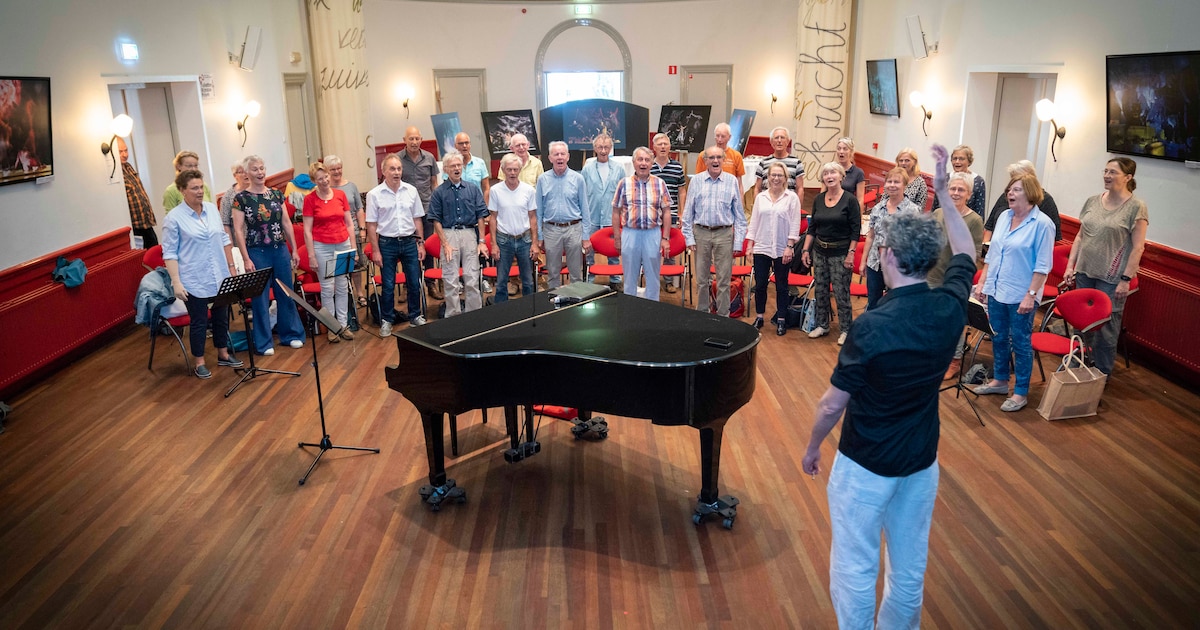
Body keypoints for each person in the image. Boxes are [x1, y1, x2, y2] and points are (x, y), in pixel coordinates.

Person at [801, 142, 977, 630]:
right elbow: (966, 249)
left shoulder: (872, 326)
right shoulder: (949, 307)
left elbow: (832, 404)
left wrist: (814, 446)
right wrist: (942, 193)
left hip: (866, 465)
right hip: (921, 463)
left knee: (855, 567)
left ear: (891, 256)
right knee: (909, 568)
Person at [972, 171, 1056, 412]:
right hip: (997, 288)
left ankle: (1020, 392)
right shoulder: (1003, 216)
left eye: (1016, 189)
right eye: (1009, 189)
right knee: (997, 336)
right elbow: (993, 255)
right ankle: (999, 381)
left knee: (1020, 343)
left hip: (1021, 294)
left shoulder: (1042, 224)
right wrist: (983, 284)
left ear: (1030, 194)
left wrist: (1031, 295)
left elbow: (1043, 265)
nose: (1010, 193)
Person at [1062, 157, 1149, 375]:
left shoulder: (1136, 207)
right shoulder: (1092, 201)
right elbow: (1080, 237)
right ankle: (1077, 365)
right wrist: (1070, 266)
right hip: (1084, 272)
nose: (1106, 176)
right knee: (1080, 324)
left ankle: (1100, 375)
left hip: (1112, 280)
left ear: (1128, 177)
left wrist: (1125, 280)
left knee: (1106, 331)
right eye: (1105, 171)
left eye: (1112, 172)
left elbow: (1138, 248)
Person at [161, 169, 243, 379]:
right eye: (194, 188)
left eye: (201, 187)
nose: (199, 191)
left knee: (221, 316)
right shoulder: (174, 218)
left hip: (219, 273)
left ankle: (223, 353)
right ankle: (199, 362)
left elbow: (224, 240)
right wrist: (176, 282)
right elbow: (169, 253)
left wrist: (232, 268)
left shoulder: (211, 209)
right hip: (194, 277)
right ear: (182, 191)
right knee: (198, 321)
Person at [231, 155, 307, 355]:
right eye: (255, 169)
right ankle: (264, 343)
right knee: (260, 299)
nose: (260, 172)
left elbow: (286, 223)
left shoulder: (275, 194)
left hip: (279, 249)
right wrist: (246, 258)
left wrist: (294, 249)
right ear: (247, 173)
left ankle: (291, 335)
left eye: (262, 168)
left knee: (286, 292)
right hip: (256, 252)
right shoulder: (241, 199)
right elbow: (238, 230)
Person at [929, 171, 986, 380]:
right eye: (952, 188)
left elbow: (974, 254)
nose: (955, 193)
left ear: (969, 194)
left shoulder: (974, 220)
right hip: (932, 275)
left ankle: (954, 360)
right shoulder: (938, 212)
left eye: (960, 189)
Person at [683, 145, 747, 317]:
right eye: (711, 158)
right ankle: (702, 314)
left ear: (724, 160)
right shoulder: (696, 181)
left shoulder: (732, 181)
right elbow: (688, 213)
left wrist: (739, 241)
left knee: (724, 280)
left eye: (719, 157)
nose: (715, 161)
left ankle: (723, 316)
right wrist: (689, 238)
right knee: (702, 279)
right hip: (701, 233)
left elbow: (740, 216)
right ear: (705, 161)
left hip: (724, 234)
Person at [366, 153, 427, 336]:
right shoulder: (374, 195)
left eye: (399, 168)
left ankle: (415, 315)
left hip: (409, 241)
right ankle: (387, 320)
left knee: (414, 282)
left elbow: (417, 219)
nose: (396, 172)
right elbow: (371, 225)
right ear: (384, 171)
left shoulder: (411, 191)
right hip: (387, 243)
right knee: (389, 284)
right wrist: (375, 250)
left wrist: (421, 244)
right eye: (392, 169)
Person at [801, 162, 861, 345]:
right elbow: (813, 228)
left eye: (833, 172)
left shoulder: (850, 200)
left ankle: (845, 329)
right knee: (820, 289)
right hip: (819, 251)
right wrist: (805, 250)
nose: (829, 176)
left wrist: (851, 253)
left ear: (841, 176)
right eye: (826, 173)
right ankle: (822, 325)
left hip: (841, 253)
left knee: (841, 292)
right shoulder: (819, 199)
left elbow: (855, 229)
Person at [429, 151, 490, 317]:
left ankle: (474, 316)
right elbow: (435, 220)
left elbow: (480, 216)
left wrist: (482, 241)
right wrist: (445, 243)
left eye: (459, 165)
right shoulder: (439, 192)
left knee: (472, 277)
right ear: (446, 170)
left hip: (470, 234)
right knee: (450, 280)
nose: (456, 168)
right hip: (449, 236)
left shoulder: (472, 189)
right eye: (452, 166)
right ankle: (453, 317)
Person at [302, 161, 356, 342]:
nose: (325, 181)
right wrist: (311, 255)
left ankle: (343, 325)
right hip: (322, 246)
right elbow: (307, 230)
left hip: (342, 244)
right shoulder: (310, 200)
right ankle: (332, 327)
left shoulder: (340, 195)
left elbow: (349, 224)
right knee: (327, 288)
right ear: (313, 181)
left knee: (342, 285)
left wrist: (353, 249)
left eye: (326, 177)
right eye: (320, 179)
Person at [746, 162, 801, 335]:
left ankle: (782, 319)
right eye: (773, 175)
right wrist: (749, 245)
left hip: (782, 248)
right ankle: (760, 316)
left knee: (782, 286)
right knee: (761, 284)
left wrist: (789, 247)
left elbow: (795, 224)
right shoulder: (761, 197)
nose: (776, 178)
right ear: (767, 177)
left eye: (780, 175)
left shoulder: (792, 198)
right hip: (761, 246)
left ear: (786, 178)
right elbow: (754, 222)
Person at [611, 146, 672, 300]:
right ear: (634, 162)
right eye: (640, 159)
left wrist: (665, 238)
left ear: (652, 163)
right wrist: (617, 238)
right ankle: (631, 311)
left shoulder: (660, 183)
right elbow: (616, 211)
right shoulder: (623, 183)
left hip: (653, 234)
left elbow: (666, 212)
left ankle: (652, 307)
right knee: (630, 276)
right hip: (630, 233)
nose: (643, 163)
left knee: (653, 276)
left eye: (647, 160)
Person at [861, 167, 921, 310]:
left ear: (905, 185)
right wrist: (863, 261)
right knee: (873, 303)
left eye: (897, 182)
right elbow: (870, 236)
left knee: (896, 305)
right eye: (889, 181)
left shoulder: (913, 211)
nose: (892, 185)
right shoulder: (877, 208)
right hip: (875, 263)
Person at [536, 141, 589, 289]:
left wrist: (586, 236)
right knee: (552, 272)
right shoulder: (542, 179)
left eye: (562, 154)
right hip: (551, 230)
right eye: (556, 154)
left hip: (574, 229)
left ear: (568, 156)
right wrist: (540, 236)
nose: (559, 157)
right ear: (550, 158)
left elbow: (585, 209)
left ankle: (576, 303)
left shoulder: (578, 179)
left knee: (575, 273)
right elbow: (538, 211)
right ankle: (554, 300)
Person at [487, 153, 539, 302]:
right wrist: (494, 244)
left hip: (525, 239)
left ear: (520, 170)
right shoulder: (495, 190)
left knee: (528, 281)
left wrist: (535, 243)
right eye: (509, 169)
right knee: (502, 281)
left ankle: (530, 311)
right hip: (504, 241)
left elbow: (532, 218)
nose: (512, 173)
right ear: (503, 170)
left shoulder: (529, 190)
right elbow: (493, 218)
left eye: (515, 169)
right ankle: (502, 314)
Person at [399, 126, 443, 299]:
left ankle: (430, 284)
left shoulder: (429, 158)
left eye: (417, 138)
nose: (414, 142)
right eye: (411, 139)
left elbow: (434, 184)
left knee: (429, 248)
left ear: (421, 139)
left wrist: (438, 206)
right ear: (405, 140)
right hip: (406, 213)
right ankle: (408, 286)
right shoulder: (398, 160)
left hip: (426, 209)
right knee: (408, 249)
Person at [580, 133, 625, 283]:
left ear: (611, 148)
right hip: (591, 216)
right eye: (600, 147)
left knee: (613, 250)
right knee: (589, 251)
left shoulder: (619, 168)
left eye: (606, 147)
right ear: (595, 148)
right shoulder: (587, 168)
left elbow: (624, 193)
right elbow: (583, 192)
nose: (603, 151)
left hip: (611, 217)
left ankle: (615, 280)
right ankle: (589, 279)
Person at [984, 160, 1062, 242]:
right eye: (1013, 179)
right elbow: (989, 226)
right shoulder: (1006, 199)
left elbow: (1051, 238)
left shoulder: (1046, 201)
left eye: (1019, 180)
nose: (1014, 183)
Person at [324, 155, 366, 305]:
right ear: (327, 171)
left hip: (353, 232)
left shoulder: (351, 186)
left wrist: (362, 229)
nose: (337, 172)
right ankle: (345, 296)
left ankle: (359, 292)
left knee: (356, 266)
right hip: (334, 235)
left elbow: (359, 209)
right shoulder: (324, 189)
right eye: (333, 169)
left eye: (339, 168)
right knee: (340, 269)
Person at [650, 133, 687, 293]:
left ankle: (669, 281)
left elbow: (682, 191)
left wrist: (682, 212)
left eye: (666, 144)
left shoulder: (677, 167)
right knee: (651, 250)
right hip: (650, 217)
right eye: (660, 144)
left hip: (670, 216)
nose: (663, 147)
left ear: (670, 147)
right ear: (654, 147)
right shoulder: (648, 165)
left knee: (669, 250)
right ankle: (652, 281)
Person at [116, 138, 157, 248]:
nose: (125, 154)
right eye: (120, 152)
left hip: (146, 222)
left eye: (126, 150)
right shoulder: (115, 173)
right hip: (134, 228)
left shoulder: (128, 167)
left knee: (156, 252)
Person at [931, 145, 986, 217]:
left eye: (961, 159)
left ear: (969, 161)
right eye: (954, 158)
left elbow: (980, 212)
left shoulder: (978, 181)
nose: (957, 162)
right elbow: (935, 206)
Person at [694, 122, 746, 198]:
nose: (719, 139)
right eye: (717, 136)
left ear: (729, 137)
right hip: (708, 195)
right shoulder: (703, 155)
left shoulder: (736, 156)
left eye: (723, 136)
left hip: (729, 196)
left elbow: (739, 184)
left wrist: (740, 204)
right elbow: (698, 180)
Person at [754, 126, 804, 193]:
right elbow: (757, 188)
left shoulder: (797, 162)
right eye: (776, 138)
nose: (779, 141)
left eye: (782, 138)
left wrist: (798, 203)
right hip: (767, 202)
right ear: (771, 142)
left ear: (788, 141)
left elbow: (800, 189)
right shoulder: (764, 162)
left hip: (789, 202)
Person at [450, 132, 491, 205]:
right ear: (455, 146)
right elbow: (446, 188)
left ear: (470, 144)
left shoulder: (480, 163)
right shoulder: (450, 164)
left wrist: (485, 207)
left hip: (477, 205)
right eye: (461, 143)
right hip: (457, 207)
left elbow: (486, 188)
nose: (464, 146)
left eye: (467, 143)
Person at [218, 160, 251, 243]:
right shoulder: (228, 197)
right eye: (241, 172)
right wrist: (231, 248)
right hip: (240, 242)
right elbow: (225, 224)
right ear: (235, 175)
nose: (245, 174)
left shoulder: (257, 190)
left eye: (246, 170)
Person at [836, 137, 867, 211]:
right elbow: (823, 194)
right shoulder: (830, 170)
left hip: (848, 209)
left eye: (845, 149)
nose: (841, 151)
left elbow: (860, 199)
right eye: (839, 148)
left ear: (851, 152)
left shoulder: (858, 173)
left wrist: (858, 218)